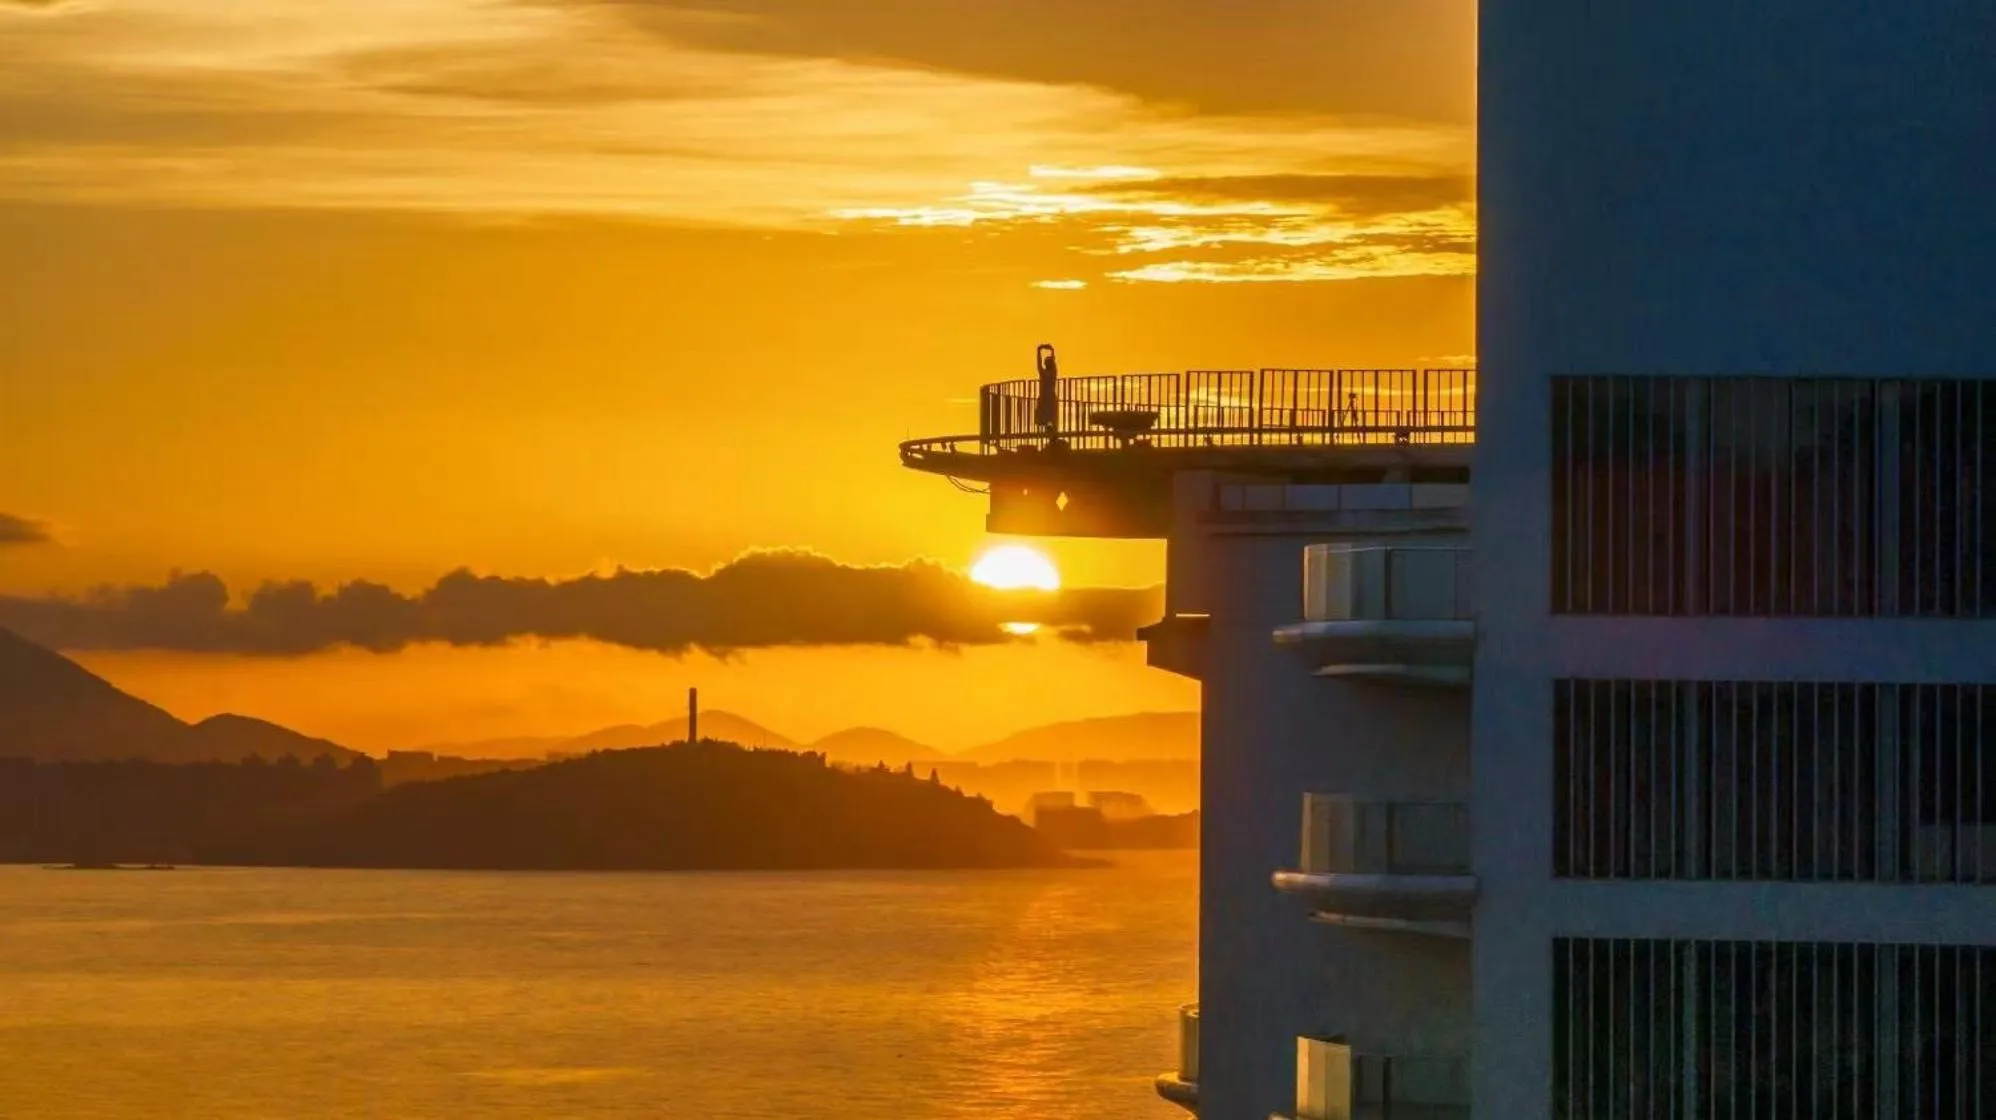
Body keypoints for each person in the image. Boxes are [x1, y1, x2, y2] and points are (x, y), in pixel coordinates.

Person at [1035, 343, 1060, 433]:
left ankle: (1050, 430)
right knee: (1050, 417)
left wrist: (1039, 349)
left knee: (1048, 417)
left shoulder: (1046, 373)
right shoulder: (1052, 372)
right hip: (1048, 397)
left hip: (1046, 397)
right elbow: (1040, 363)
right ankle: (1050, 430)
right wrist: (1050, 350)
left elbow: (1039, 363)